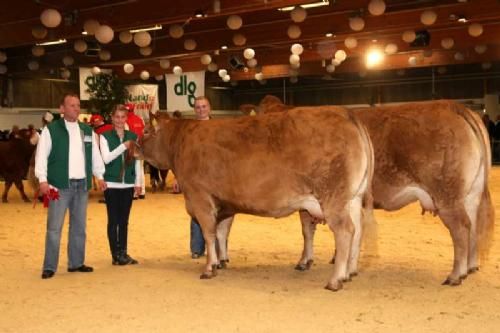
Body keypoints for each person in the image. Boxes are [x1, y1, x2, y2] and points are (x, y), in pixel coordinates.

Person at [35, 93, 106, 279]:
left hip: (82, 185)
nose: (76, 108)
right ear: (62, 109)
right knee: (54, 227)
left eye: (78, 105)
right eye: (72, 105)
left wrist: (99, 176)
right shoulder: (51, 130)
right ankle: (50, 266)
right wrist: (42, 179)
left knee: (79, 227)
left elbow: (95, 155)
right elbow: (41, 155)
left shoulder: (87, 130)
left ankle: (76, 263)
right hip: (58, 186)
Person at [99, 105, 141, 265]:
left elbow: (137, 160)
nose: (120, 120)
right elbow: (107, 158)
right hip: (111, 184)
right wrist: (123, 146)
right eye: (117, 117)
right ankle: (115, 254)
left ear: (126, 118)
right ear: (112, 118)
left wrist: (137, 182)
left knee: (124, 221)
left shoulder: (133, 136)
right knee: (113, 220)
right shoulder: (104, 136)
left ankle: (123, 252)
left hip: (128, 184)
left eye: (123, 117)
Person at [190, 96, 211, 259]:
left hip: (217, 177)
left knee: (222, 213)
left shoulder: (219, 127)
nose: (201, 110)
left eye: (203, 106)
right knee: (197, 212)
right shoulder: (189, 130)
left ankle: (218, 248)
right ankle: (197, 248)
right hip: (195, 178)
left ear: (209, 108)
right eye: (197, 107)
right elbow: (183, 157)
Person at [124, 103, 146, 199]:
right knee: (140, 169)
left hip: (132, 147)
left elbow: (126, 135)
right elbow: (144, 133)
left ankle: (134, 193)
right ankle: (142, 192)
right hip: (141, 147)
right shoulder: (140, 119)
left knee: (133, 169)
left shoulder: (125, 121)